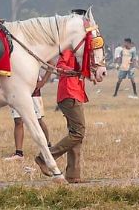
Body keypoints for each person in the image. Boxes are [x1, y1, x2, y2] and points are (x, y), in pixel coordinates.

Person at [36, 38, 89, 182]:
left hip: (75, 93)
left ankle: (73, 175)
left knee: (75, 135)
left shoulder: (79, 52)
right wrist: (73, 71)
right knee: (78, 133)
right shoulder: (69, 49)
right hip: (69, 93)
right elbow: (61, 66)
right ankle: (45, 157)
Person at [5, 87, 50, 160]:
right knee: (18, 121)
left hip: (33, 93)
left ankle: (48, 146)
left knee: (38, 120)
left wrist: (43, 81)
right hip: (17, 93)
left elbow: (48, 74)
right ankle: (19, 153)